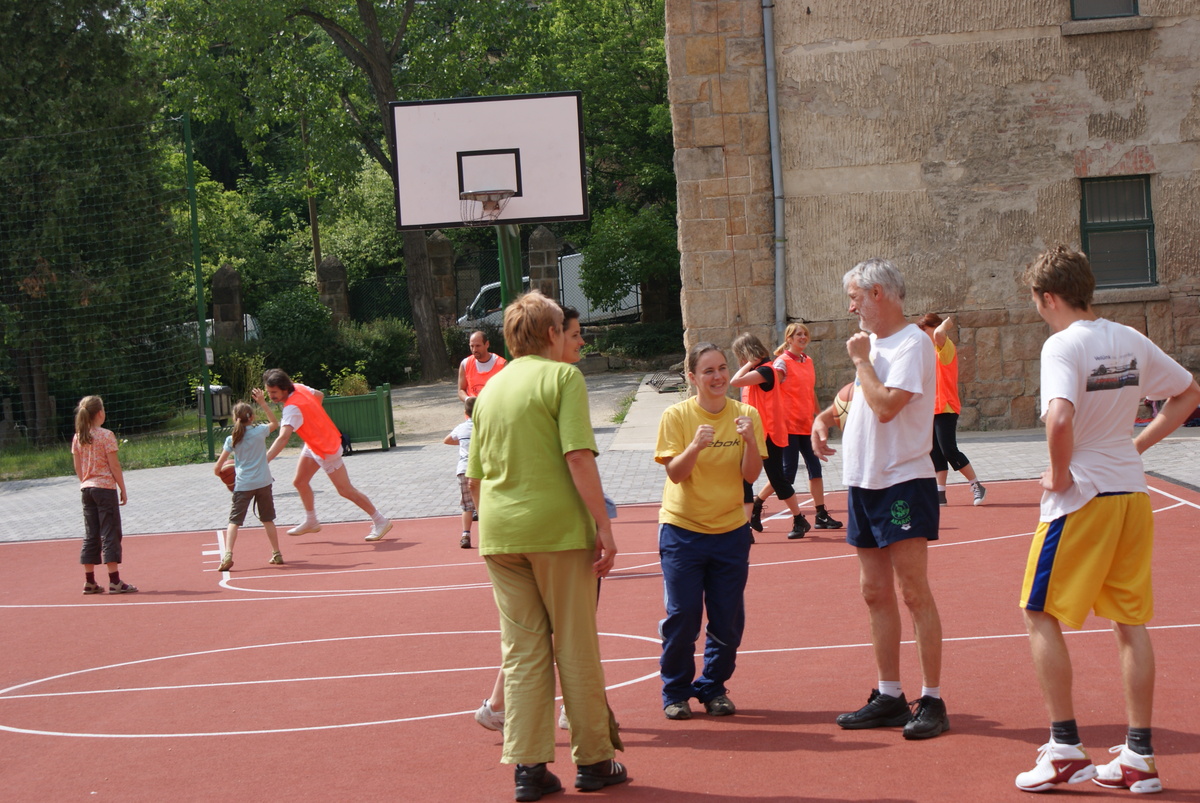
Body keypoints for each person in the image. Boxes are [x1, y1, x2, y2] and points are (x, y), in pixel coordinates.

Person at [1013, 246, 1200, 794]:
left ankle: (1065, 748)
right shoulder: (1129, 339)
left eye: (1036, 299)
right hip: (1131, 495)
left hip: (1084, 497)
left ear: (1048, 297)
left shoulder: (1061, 345)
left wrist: (1058, 474)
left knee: (1038, 612)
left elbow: (1060, 418)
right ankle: (1139, 756)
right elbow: (1188, 393)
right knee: (1129, 622)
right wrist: (1133, 447)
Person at [466, 291, 626, 801]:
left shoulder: (490, 389)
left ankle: (529, 768)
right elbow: (578, 456)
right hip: (556, 531)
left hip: (500, 534)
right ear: (552, 333)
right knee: (575, 645)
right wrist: (604, 527)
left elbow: (474, 478)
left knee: (522, 651)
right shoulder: (562, 378)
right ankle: (594, 759)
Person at [812, 257, 949, 740]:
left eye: (855, 298)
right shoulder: (872, 344)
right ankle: (889, 695)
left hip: (902, 481)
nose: (851, 308)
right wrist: (825, 418)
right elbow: (859, 400)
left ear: (878, 294)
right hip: (863, 482)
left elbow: (888, 405)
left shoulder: (912, 343)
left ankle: (932, 699)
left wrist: (861, 361)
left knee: (913, 591)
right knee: (874, 592)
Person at [656, 342, 766, 720]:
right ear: (692, 377)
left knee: (727, 618)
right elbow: (675, 473)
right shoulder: (676, 415)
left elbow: (751, 475)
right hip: (683, 530)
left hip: (730, 531)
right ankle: (675, 691)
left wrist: (749, 441)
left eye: (722, 368)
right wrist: (695, 447)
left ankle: (713, 687)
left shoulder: (746, 415)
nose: (718, 377)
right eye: (708, 371)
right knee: (684, 615)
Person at [262, 369, 393, 542]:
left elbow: (283, 438)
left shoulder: (291, 409)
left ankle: (380, 520)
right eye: (268, 392)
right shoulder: (299, 387)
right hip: (315, 443)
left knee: (345, 490)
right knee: (300, 482)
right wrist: (313, 417)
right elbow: (319, 395)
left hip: (326, 449)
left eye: (274, 392)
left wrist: (264, 461)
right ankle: (311, 521)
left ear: (285, 389)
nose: (271, 396)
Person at [750, 323, 843, 531]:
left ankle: (820, 515)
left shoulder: (808, 361)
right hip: (788, 426)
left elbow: (810, 391)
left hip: (806, 425)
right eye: (798, 334)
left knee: (815, 468)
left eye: (805, 334)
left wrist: (820, 417)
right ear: (789, 339)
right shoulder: (782, 363)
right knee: (786, 475)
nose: (803, 337)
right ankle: (757, 504)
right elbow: (771, 389)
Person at [730, 332, 810, 539]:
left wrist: (750, 363)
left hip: (769, 433)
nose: (739, 360)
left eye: (740, 355)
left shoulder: (766, 370)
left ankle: (799, 518)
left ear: (747, 353)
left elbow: (735, 381)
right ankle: (746, 527)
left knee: (777, 478)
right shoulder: (758, 370)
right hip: (754, 433)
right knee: (745, 480)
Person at [916, 313, 987, 506]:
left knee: (949, 450)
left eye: (925, 329)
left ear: (935, 327)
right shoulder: (927, 352)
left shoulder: (945, 347)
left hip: (946, 406)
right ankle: (940, 494)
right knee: (935, 452)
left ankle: (976, 485)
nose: (923, 334)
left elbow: (939, 334)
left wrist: (945, 325)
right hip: (930, 408)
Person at [72, 395, 137, 595]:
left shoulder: (78, 437)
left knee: (91, 533)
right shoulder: (106, 435)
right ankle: (114, 580)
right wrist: (122, 488)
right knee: (110, 532)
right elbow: (114, 465)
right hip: (105, 488)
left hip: (86, 488)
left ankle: (89, 581)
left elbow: (78, 467)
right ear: (100, 413)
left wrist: (85, 481)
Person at [213, 388, 284, 572]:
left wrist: (223, 476)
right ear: (252, 417)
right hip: (264, 482)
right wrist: (262, 402)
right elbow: (275, 423)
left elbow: (218, 468)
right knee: (267, 519)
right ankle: (276, 553)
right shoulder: (260, 431)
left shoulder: (232, 439)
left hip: (243, 484)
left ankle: (228, 555)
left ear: (234, 418)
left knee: (234, 521)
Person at [444, 396, 476, 550]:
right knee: (484, 503)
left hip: (463, 469)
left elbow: (447, 440)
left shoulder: (461, 428)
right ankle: (490, 535)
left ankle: (465, 534)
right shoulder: (485, 427)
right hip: (481, 469)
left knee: (467, 505)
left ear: (466, 413)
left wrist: (463, 441)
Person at [458, 330, 507, 402]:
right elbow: (461, 390)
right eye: (472, 346)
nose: (474, 350)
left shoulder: (502, 364)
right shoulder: (465, 364)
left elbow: (508, 390)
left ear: (487, 344)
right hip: (473, 408)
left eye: (478, 346)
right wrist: (468, 400)